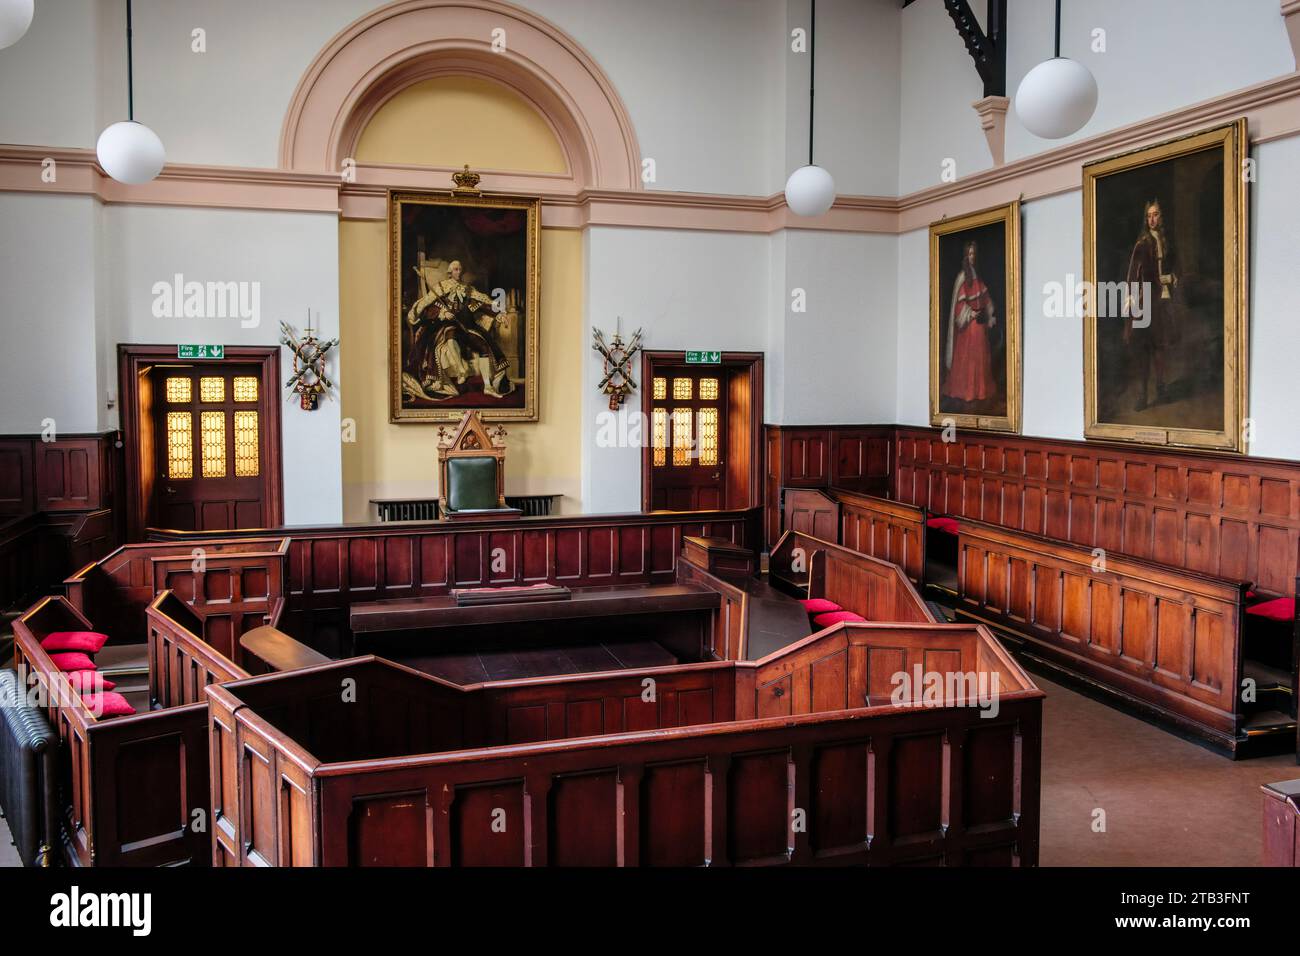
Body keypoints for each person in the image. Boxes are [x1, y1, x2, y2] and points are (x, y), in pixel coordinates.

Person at [405, 260, 514, 401]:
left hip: (467, 327)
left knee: (483, 346)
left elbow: (481, 304)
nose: (459, 272)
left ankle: (488, 386)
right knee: (450, 334)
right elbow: (427, 308)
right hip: (447, 326)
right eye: (456, 269)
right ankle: (461, 370)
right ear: (450, 272)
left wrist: (498, 315)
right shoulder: (441, 288)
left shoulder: (467, 289)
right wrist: (442, 313)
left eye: (460, 269)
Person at [1122, 199, 1178, 411]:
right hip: (1147, 301)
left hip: (1163, 298)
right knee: (1144, 348)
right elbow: (1133, 275)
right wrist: (1131, 300)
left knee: (1160, 346)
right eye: (1149, 215)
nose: (1152, 219)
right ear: (1146, 219)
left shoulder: (1165, 240)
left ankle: (1161, 388)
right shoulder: (1142, 243)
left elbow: (1170, 268)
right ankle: (1143, 395)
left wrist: (1171, 277)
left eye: (1156, 215)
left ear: (1161, 217)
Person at [942, 239, 997, 405]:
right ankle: (967, 392)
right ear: (966, 255)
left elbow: (985, 298)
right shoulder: (962, 277)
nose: (972, 257)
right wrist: (971, 313)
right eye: (970, 253)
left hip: (979, 325)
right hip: (967, 327)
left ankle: (978, 391)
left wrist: (989, 313)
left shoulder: (977, 277)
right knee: (969, 358)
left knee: (980, 356)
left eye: (974, 253)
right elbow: (959, 306)